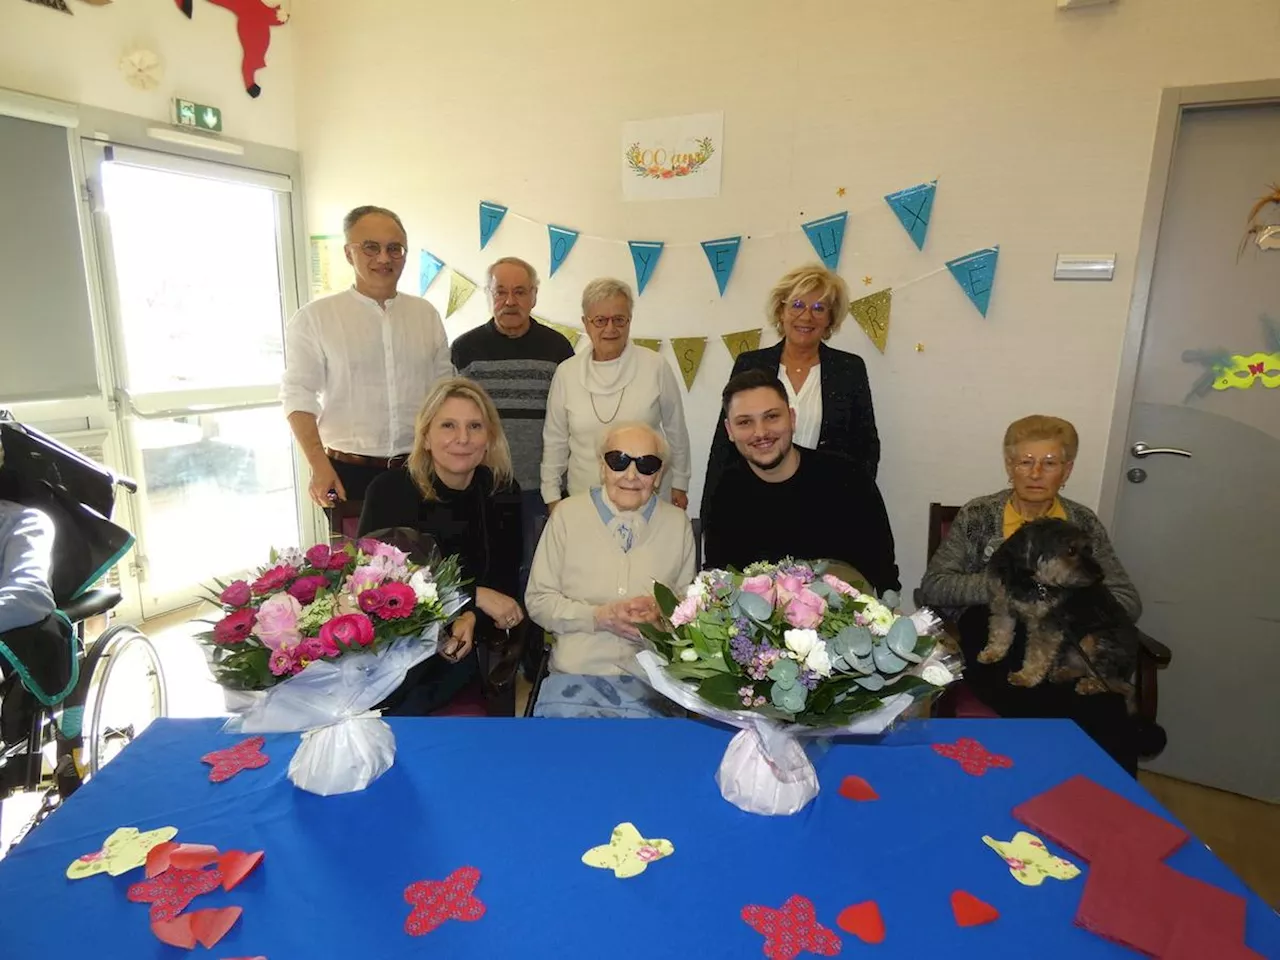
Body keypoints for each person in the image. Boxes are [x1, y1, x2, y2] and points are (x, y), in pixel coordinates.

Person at [918, 415, 1148, 773]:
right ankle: (1045, 791)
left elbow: (1127, 600)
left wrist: (1067, 594)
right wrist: (1006, 586)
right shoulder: (979, 515)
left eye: (1050, 463)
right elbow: (933, 586)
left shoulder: (1082, 522)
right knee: (1038, 697)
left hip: (1066, 635)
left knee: (1107, 712)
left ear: (1067, 470)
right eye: (1025, 462)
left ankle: (1112, 815)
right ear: (1010, 466)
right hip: (995, 633)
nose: (1036, 473)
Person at [358, 378, 523, 716]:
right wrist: (475, 596)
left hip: (465, 638)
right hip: (393, 638)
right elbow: (375, 585)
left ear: (489, 437)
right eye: (448, 425)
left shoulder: (501, 491)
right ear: (426, 436)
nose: (462, 438)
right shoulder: (389, 490)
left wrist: (470, 616)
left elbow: (504, 585)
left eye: (474, 426)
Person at [281, 205, 454, 509]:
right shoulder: (315, 318)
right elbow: (297, 394)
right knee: (356, 557)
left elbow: (444, 391)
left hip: (421, 470)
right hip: (346, 475)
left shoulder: (425, 315)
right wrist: (318, 465)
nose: (384, 258)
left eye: (394, 248)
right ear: (349, 253)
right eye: (370, 247)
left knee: (431, 556)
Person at [526, 422, 696, 718]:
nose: (631, 475)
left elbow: (690, 612)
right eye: (618, 461)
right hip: (574, 679)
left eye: (647, 465)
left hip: (653, 685)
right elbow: (538, 601)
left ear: (658, 476)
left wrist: (659, 616)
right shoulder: (567, 516)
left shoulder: (677, 525)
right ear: (602, 467)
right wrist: (598, 617)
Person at [701, 264, 879, 522]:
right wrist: (712, 512)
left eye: (819, 308)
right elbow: (724, 444)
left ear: (831, 318)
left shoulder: (849, 369)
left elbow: (866, 446)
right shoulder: (749, 364)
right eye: (797, 305)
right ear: (780, 311)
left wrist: (853, 499)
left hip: (828, 506)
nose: (806, 317)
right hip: (754, 502)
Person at [703, 369, 900, 595]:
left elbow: (884, 575)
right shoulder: (726, 491)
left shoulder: (848, 478)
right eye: (745, 422)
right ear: (729, 431)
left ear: (792, 418)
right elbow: (718, 578)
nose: (760, 432)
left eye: (771, 417)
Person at [450, 257, 574, 619]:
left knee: (539, 575)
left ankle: (533, 655)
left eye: (520, 291)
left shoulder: (557, 349)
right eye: (500, 291)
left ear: (534, 296)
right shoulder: (465, 349)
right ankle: (498, 648)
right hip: (485, 484)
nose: (510, 301)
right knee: (493, 570)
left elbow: (567, 418)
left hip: (541, 486)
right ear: (489, 295)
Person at [540, 278, 691, 513]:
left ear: (630, 321)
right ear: (586, 323)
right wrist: (551, 496)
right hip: (584, 501)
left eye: (619, 319)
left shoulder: (655, 366)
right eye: (600, 320)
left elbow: (676, 432)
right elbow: (555, 441)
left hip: (647, 499)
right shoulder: (566, 373)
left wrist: (680, 484)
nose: (610, 329)